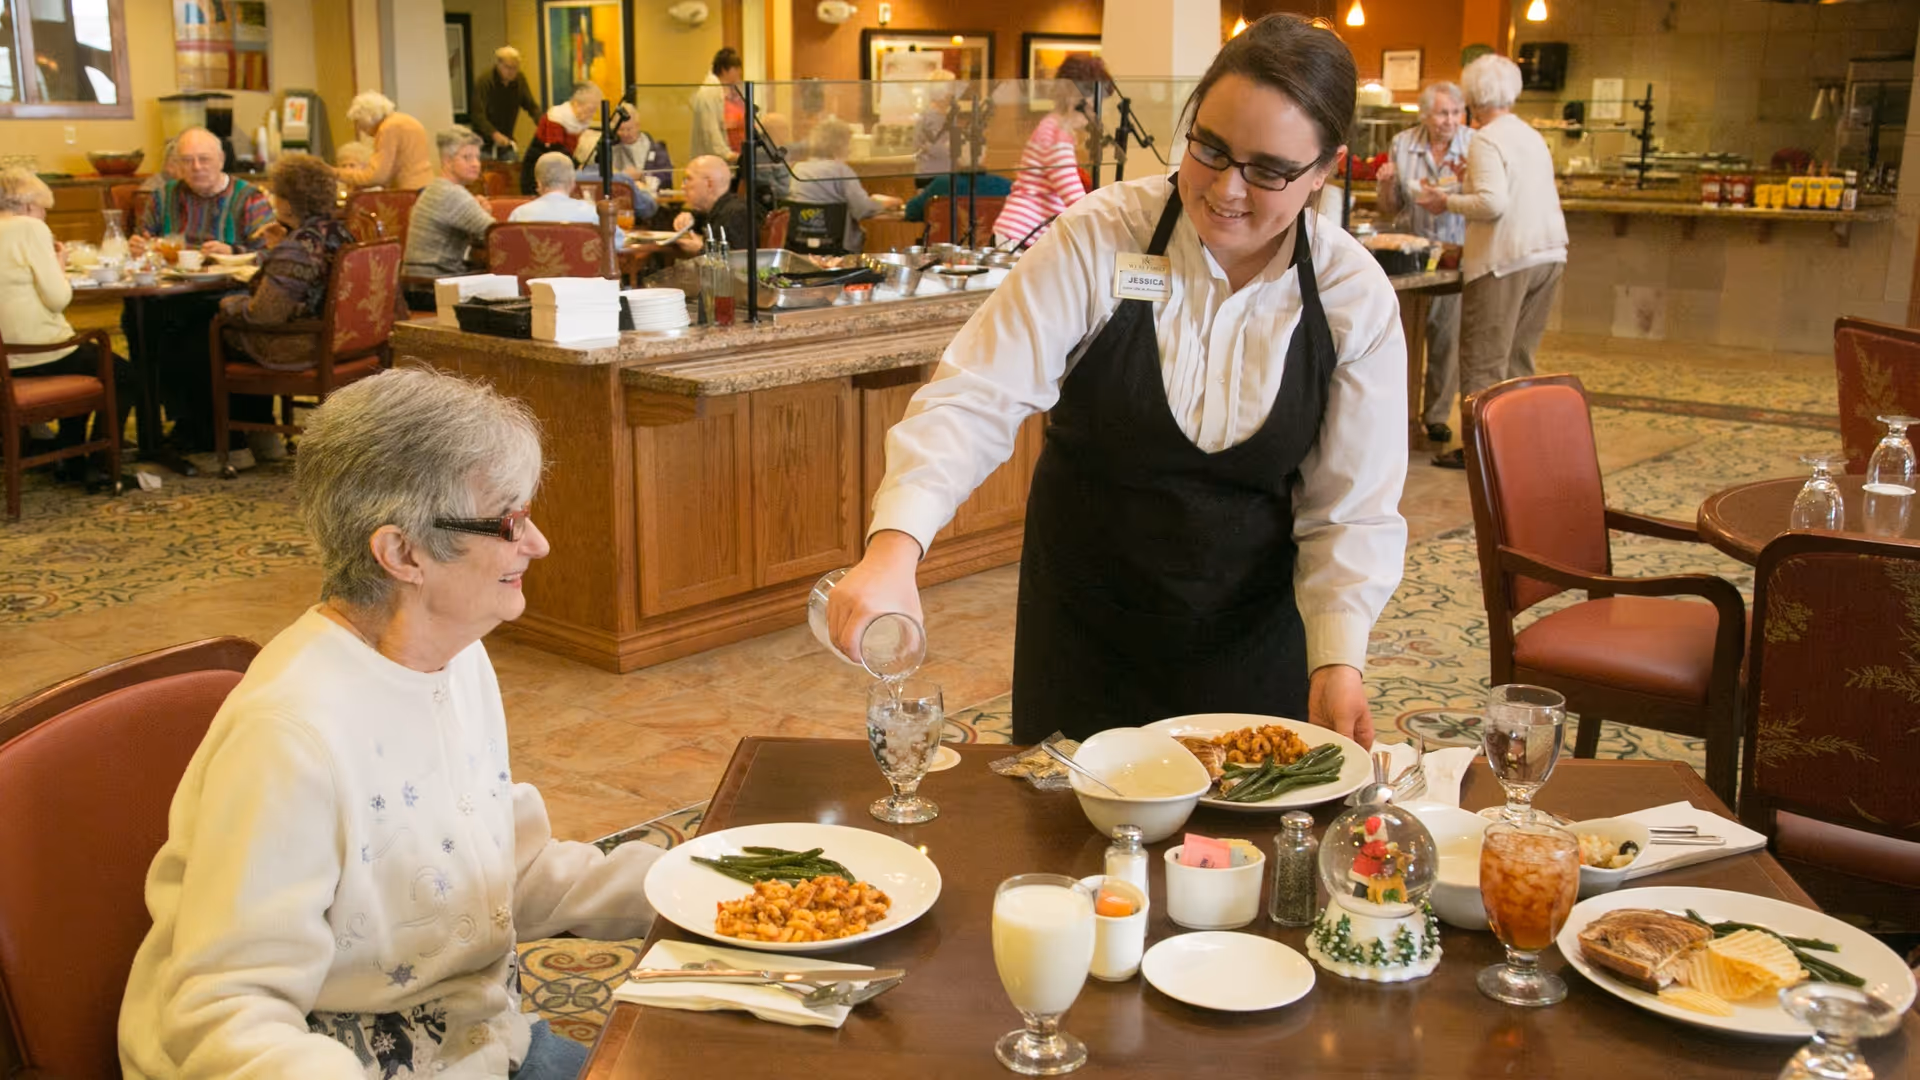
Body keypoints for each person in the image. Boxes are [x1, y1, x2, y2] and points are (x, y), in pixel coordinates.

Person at [826, 15, 1408, 749]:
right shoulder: (1101, 236)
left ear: (1325, 170)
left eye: (1267, 170)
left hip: (1251, 646)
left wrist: (1338, 658)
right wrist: (895, 550)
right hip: (1087, 635)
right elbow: (976, 395)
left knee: (1231, 855)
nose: (1226, 189)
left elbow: (1351, 508)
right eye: (1210, 147)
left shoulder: (1354, 297)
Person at [118, 366, 661, 1078]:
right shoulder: (292, 737)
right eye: (508, 522)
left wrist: (697, 888)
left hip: (486, 1045)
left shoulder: (454, 657)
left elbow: (499, 872)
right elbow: (226, 1013)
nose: (538, 545)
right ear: (402, 553)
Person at [1415, 54, 1567, 470]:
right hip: (1549, 253)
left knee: (1483, 357)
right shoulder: (1528, 134)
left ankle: (1479, 451)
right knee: (1519, 357)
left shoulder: (1486, 138)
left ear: (1474, 95)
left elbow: (1492, 203)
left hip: (1505, 259)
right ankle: (1516, 443)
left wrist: (1444, 199)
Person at [215, 154, 353, 465]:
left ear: (287, 202)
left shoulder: (299, 247)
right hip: (348, 343)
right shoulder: (339, 232)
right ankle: (263, 440)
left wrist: (228, 304)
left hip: (302, 345)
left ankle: (234, 445)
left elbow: (264, 315)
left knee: (210, 329)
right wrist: (283, 243)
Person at [0, 167, 130, 486]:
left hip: (4, 358)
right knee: (123, 376)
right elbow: (58, 299)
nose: (45, 215)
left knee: (87, 360)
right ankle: (95, 461)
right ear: (29, 206)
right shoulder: (29, 228)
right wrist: (58, 267)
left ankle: (68, 453)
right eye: (44, 208)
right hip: (36, 353)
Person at [1375, 81, 1471, 446]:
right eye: (1442, 113)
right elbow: (1392, 206)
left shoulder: (1473, 146)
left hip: (1453, 251)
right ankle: (1402, 410)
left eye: (1455, 113)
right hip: (1414, 253)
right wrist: (1385, 185)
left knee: (1446, 339)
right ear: (1426, 115)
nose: (1449, 121)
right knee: (1407, 337)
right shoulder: (1403, 143)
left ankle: (1436, 416)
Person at [991, 54, 1104, 248]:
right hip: (1021, 236)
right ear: (1075, 99)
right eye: (1094, 105)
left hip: (1021, 235)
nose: (1095, 113)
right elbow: (1074, 198)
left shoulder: (1053, 127)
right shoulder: (1056, 135)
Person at [127, 127, 275, 256]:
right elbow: (143, 240)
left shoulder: (250, 198)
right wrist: (138, 247)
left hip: (229, 286)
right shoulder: (162, 197)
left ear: (221, 160)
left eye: (204, 159)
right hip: (171, 284)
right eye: (187, 160)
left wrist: (232, 252)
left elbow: (270, 254)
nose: (196, 167)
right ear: (177, 165)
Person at [787, 117, 903, 255]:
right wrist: (888, 203)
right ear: (839, 145)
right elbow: (863, 209)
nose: (850, 149)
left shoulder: (797, 169)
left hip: (798, 246)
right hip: (839, 249)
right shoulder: (841, 171)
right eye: (849, 143)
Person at [403, 126, 496, 279]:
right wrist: (485, 214)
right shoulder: (451, 194)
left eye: (477, 157)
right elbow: (495, 236)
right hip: (433, 283)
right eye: (467, 157)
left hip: (419, 279)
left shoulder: (437, 188)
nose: (475, 164)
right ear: (447, 161)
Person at [510, 151, 626, 245]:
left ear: (538, 183)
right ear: (572, 183)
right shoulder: (591, 213)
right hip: (581, 273)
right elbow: (618, 242)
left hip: (533, 274)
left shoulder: (519, 214)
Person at [336, 92, 436, 192]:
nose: (361, 129)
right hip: (426, 184)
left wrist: (336, 173)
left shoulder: (387, 128)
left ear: (367, 118)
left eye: (360, 124)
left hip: (408, 190)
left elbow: (377, 176)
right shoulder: (407, 121)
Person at [523, 82, 604, 195]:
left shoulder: (579, 121)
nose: (592, 114)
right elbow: (557, 149)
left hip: (558, 170)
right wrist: (577, 165)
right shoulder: (556, 117)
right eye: (590, 110)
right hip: (539, 172)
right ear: (576, 104)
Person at [470, 45, 541, 157]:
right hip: (484, 143)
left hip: (507, 139)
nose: (512, 72)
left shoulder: (519, 80)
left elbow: (531, 107)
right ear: (498, 64)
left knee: (513, 168)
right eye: (508, 67)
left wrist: (544, 124)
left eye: (515, 68)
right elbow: (477, 115)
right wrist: (494, 134)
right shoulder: (485, 81)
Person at [672, 154, 747, 251]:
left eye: (688, 179)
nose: (683, 186)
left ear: (709, 184)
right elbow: (701, 218)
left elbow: (736, 262)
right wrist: (690, 217)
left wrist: (701, 249)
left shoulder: (736, 214)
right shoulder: (717, 209)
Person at [689, 47, 744, 161]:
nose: (739, 72)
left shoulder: (724, 90)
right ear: (724, 70)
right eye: (736, 69)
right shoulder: (709, 91)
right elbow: (710, 129)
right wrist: (726, 154)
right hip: (713, 159)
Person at [912, 69, 960, 185]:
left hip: (944, 173)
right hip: (932, 175)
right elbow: (935, 147)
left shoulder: (947, 115)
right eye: (951, 88)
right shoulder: (931, 116)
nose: (953, 93)